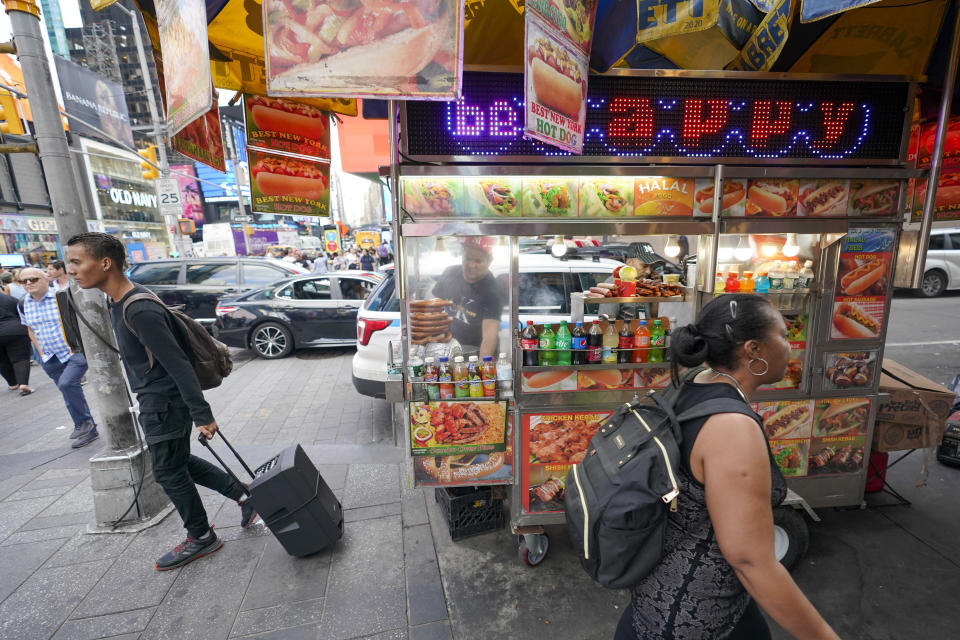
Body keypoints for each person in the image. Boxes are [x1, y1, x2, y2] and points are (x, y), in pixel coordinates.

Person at [615, 294, 839, 640]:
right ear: (753, 349)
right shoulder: (731, 428)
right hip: (695, 620)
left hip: (653, 595)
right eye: (782, 334)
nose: (790, 345)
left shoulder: (692, 384)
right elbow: (751, 562)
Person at [65, 232, 257, 571]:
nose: (71, 270)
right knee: (176, 461)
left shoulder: (137, 308)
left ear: (105, 263)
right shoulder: (122, 301)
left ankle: (201, 536)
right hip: (158, 400)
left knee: (168, 470)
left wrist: (202, 415)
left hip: (163, 403)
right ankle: (245, 496)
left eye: (77, 262)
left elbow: (178, 363)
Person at [17, 268, 98, 447]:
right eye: (24, 281)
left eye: (33, 279)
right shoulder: (23, 303)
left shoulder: (61, 296)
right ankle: (87, 428)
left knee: (67, 384)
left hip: (73, 351)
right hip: (49, 356)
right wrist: (41, 352)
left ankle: (84, 424)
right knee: (68, 391)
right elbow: (30, 328)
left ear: (46, 278)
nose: (28, 283)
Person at [432, 237, 504, 358]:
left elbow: (489, 337)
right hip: (451, 350)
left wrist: (482, 369)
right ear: (462, 255)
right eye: (467, 258)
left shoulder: (493, 291)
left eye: (478, 261)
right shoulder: (450, 273)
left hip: (476, 353)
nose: (471, 265)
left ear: (489, 261)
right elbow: (434, 307)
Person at [0, 290, 32, 395]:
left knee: (1, 361)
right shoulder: (9, 299)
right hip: (16, 330)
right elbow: (22, 311)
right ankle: (23, 384)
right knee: (20, 358)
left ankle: (12, 383)